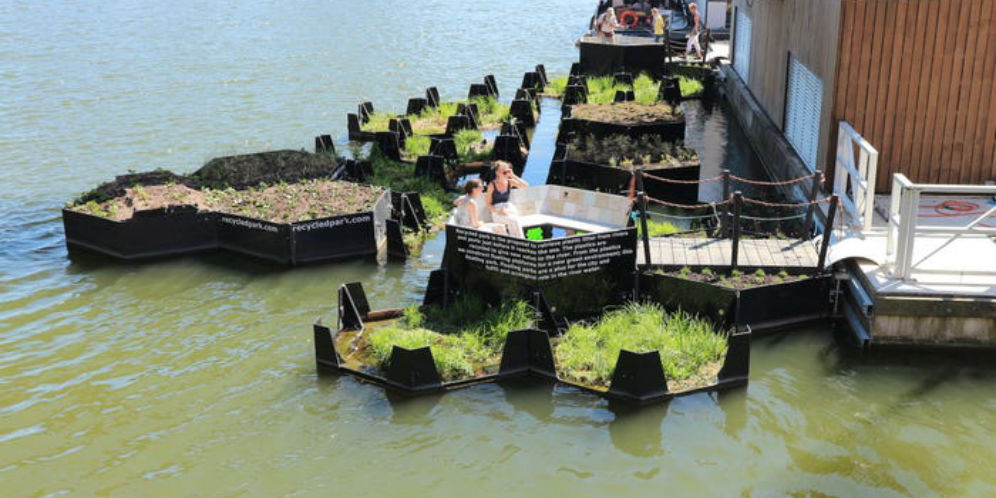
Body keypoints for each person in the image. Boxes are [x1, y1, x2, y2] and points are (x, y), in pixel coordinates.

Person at [485, 161, 528, 238]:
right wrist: (498, 211)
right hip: (497, 211)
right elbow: (488, 204)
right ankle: (522, 241)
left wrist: (513, 175)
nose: (507, 174)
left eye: (508, 172)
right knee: (515, 221)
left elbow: (525, 186)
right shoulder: (492, 185)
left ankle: (518, 242)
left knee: (514, 222)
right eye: (504, 172)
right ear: (497, 173)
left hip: (508, 208)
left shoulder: (509, 182)